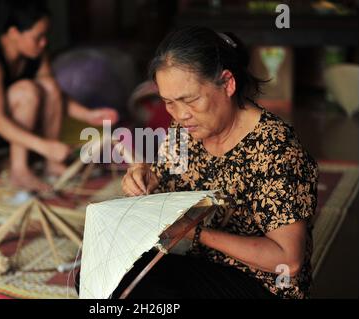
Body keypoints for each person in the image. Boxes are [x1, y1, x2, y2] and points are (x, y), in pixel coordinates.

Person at [120, 26, 318, 299]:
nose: (179, 114)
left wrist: (193, 231)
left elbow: (288, 261)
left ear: (227, 83)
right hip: (201, 264)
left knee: (145, 295)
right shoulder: (185, 129)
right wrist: (144, 176)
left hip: (260, 283)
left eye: (189, 100)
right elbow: (164, 174)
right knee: (110, 277)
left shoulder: (277, 149)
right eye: (168, 102)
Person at [0, 0, 118, 192]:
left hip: (9, 127)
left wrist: (88, 115)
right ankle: (19, 170)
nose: (43, 42)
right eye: (37, 37)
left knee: (49, 86)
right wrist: (45, 146)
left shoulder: (35, 53)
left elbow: (55, 95)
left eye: (45, 36)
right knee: (27, 90)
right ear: (13, 33)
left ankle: (52, 164)